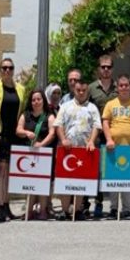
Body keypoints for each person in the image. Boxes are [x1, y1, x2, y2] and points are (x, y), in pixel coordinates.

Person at [53, 79, 101, 220]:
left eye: (83, 90)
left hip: (83, 150)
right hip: (66, 149)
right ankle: (64, 210)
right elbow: (58, 124)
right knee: (64, 181)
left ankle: (77, 210)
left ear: (87, 91)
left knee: (81, 182)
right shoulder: (65, 106)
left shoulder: (92, 108)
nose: (81, 93)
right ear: (74, 90)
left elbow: (97, 126)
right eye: (78, 90)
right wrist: (63, 140)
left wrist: (91, 141)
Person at [103, 74, 130, 220]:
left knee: (127, 179)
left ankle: (126, 209)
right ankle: (114, 208)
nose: (124, 88)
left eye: (126, 85)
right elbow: (106, 122)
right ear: (117, 87)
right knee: (113, 179)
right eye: (121, 85)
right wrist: (108, 139)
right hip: (113, 147)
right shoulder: (111, 104)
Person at [0, 58, 26, 222]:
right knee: (1, 172)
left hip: (14, 135)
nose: (7, 71)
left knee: (10, 173)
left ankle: (7, 204)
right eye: (3, 68)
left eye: (10, 68)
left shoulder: (21, 89)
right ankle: (0, 207)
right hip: (0, 134)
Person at [15, 89, 56, 220]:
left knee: (43, 184)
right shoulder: (25, 115)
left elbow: (52, 133)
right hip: (28, 153)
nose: (36, 102)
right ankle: (29, 210)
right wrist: (27, 133)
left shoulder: (49, 116)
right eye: (33, 99)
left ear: (43, 100)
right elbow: (18, 130)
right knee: (30, 183)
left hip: (44, 154)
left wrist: (41, 144)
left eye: (39, 99)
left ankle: (43, 210)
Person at [88, 55, 117, 218]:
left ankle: (114, 205)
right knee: (96, 171)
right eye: (103, 67)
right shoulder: (91, 88)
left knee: (113, 170)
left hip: (114, 135)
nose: (106, 70)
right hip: (97, 135)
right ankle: (97, 202)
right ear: (98, 69)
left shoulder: (118, 88)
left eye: (109, 67)